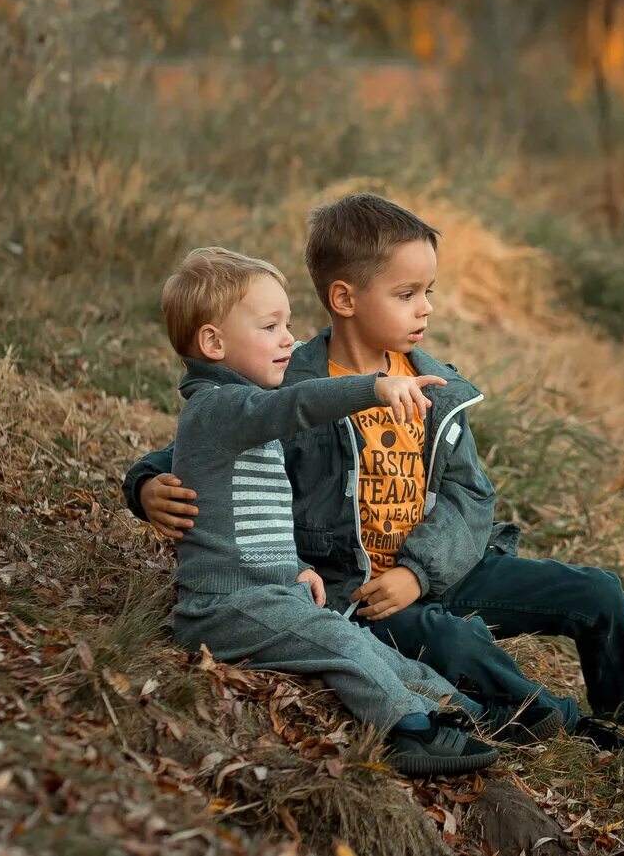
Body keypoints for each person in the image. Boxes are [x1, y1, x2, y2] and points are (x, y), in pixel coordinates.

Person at [124, 196, 624, 750]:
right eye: (406, 294)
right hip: (363, 591)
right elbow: (202, 441)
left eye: (428, 293)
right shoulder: (285, 381)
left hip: (440, 567)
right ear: (345, 298)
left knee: (598, 594)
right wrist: (146, 486)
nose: (425, 309)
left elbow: (469, 495)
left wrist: (420, 574)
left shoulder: (435, 387)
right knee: (455, 643)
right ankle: (563, 724)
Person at [151, 246, 554, 777]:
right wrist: (373, 388)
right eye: (271, 326)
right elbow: (296, 405)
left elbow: (246, 518)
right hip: (223, 607)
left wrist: (293, 568)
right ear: (213, 342)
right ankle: (407, 732)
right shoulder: (219, 408)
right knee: (340, 641)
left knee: (377, 651)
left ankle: (465, 714)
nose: (289, 340)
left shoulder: (246, 416)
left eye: (288, 324)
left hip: (269, 590)